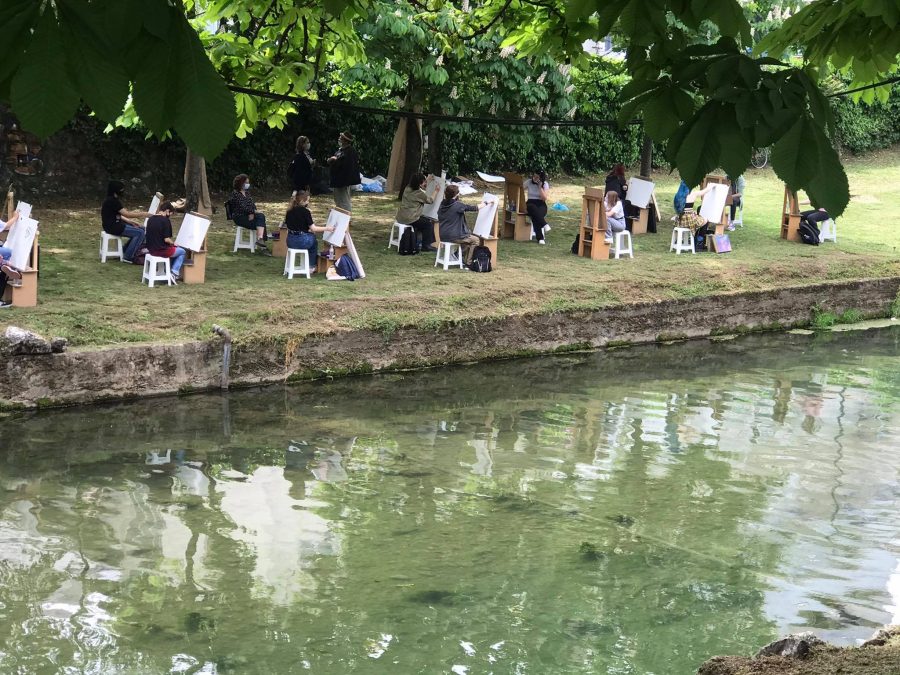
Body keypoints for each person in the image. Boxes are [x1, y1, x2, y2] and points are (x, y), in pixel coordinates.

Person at [101, 180, 153, 263]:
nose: (123, 191)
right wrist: (144, 214)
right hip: (113, 227)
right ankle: (128, 256)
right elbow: (127, 214)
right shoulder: (113, 201)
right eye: (121, 190)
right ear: (116, 190)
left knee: (141, 228)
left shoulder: (111, 200)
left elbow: (119, 215)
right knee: (140, 233)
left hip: (112, 225)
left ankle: (125, 251)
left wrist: (130, 222)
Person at [438, 184, 487, 265]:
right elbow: (474, 208)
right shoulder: (457, 205)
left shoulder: (442, 204)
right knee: (476, 240)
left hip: (443, 235)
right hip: (454, 236)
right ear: (456, 195)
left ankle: (457, 255)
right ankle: (469, 262)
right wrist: (486, 203)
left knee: (467, 239)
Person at [283, 191, 335, 265]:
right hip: (301, 241)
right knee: (313, 241)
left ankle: (307, 264)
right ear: (302, 201)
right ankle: (311, 265)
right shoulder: (305, 212)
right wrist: (328, 228)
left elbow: (292, 225)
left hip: (290, 241)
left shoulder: (289, 211)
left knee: (310, 237)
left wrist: (306, 230)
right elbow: (314, 229)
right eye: (307, 200)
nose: (308, 202)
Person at [395, 173, 440, 251]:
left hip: (401, 216)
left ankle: (416, 240)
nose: (425, 183)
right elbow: (430, 200)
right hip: (410, 218)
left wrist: (427, 180)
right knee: (428, 225)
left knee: (423, 220)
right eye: (424, 182)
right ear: (419, 183)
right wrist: (436, 191)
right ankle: (426, 246)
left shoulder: (407, 188)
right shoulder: (418, 193)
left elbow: (417, 182)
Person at [145, 201, 186, 284]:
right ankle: (174, 272)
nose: (170, 215)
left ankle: (168, 271)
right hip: (161, 250)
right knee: (182, 252)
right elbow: (166, 239)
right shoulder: (165, 221)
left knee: (174, 250)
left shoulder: (150, 219)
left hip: (151, 249)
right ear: (167, 211)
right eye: (170, 213)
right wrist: (173, 243)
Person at [227, 174, 269, 251]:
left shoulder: (247, 193)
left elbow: (252, 205)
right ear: (241, 183)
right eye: (246, 182)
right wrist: (252, 212)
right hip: (240, 217)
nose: (248, 184)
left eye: (248, 182)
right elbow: (242, 207)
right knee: (261, 222)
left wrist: (253, 212)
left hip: (248, 215)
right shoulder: (235, 194)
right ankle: (262, 244)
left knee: (261, 217)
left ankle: (260, 239)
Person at [326, 131, 361, 212]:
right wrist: (331, 160)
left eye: (341, 138)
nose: (339, 139)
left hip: (343, 181)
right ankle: (341, 216)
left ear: (345, 141)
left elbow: (346, 167)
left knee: (344, 201)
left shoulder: (349, 152)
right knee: (338, 201)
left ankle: (346, 217)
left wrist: (334, 160)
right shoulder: (341, 150)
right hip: (338, 181)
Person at [523, 169, 550, 244]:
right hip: (530, 203)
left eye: (537, 177)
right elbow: (520, 188)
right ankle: (544, 224)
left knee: (536, 216)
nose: (534, 178)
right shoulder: (529, 182)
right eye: (534, 176)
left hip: (541, 203)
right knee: (533, 209)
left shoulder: (545, 184)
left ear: (541, 178)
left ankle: (540, 238)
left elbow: (544, 198)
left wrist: (540, 187)